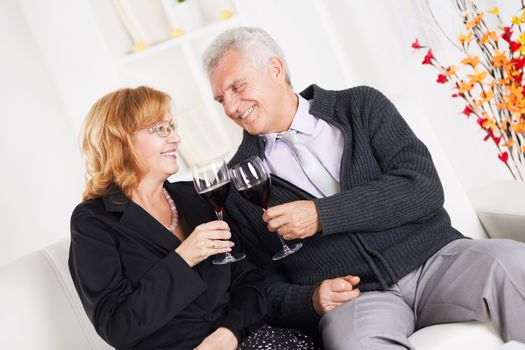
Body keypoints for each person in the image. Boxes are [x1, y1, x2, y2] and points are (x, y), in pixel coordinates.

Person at [201, 26, 525, 349]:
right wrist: (310, 299)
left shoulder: (361, 105)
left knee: (513, 262)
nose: (230, 106)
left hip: (436, 259)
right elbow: (260, 285)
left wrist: (322, 215)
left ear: (275, 69)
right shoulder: (238, 182)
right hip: (357, 299)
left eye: (237, 87)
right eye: (221, 99)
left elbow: (422, 187)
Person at [68, 86, 318, 350]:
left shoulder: (196, 196)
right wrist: (184, 257)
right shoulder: (93, 222)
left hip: (247, 339)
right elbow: (118, 327)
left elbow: (249, 280)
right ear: (120, 140)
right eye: (160, 129)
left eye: (172, 127)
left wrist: (229, 332)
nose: (175, 138)